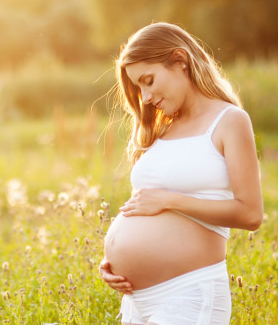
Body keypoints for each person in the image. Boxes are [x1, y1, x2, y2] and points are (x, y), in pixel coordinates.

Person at [99, 22, 264, 324]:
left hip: (188, 295)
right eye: (138, 87)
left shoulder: (229, 121)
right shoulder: (162, 130)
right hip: (137, 300)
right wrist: (113, 262)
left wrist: (170, 201)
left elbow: (251, 214)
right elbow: (146, 204)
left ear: (180, 60)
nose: (145, 97)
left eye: (148, 81)